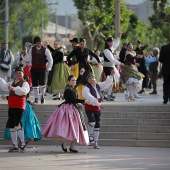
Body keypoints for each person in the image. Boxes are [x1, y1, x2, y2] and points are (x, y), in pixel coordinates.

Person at [41, 69, 90, 153]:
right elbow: (72, 99)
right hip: (67, 111)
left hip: (74, 110)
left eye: (74, 80)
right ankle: (64, 143)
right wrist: (83, 101)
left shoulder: (72, 87)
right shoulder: (68, 90)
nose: (74, 82)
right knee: (68, 128)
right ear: (68, 81)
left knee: (75, 128)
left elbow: (77, 83)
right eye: (72, 80)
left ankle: (72, 146)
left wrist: (81, 74)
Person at [82, 69, 115, 149]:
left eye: (93, 78)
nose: (92, 79)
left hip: (97, 107)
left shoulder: (98, 85)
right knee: (92, 122)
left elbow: (106, 84)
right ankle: (90, 135)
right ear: (87, 80)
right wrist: (98, 104)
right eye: (90, 78)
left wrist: (111, 76)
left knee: (97, 125)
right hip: (90, 107)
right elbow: (90, 97)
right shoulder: (86, 88)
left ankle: (96, 142)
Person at [0, 66, 30, 152]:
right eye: (17, 73)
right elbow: (4, 86)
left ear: (23, 74)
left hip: (19, 106)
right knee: (11, 125)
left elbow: (23, 91)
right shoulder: (12, 83)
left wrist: (13, 88)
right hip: (12, 106)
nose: (18, 75)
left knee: (17, 124)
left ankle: (23, 144)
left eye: (20, 73)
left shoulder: (25, 83)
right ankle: (15, 145)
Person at [28, 36, 53, 104]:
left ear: (41, 43)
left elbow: (50, 60)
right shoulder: (31, 49)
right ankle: (36, 98)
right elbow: (29, 58)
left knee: (42, 84)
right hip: (34, 69)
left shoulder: (45, 50)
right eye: (37, 43)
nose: (38, 44)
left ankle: (42, 97)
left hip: (42, 69)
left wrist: (48, 68)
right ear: (35, 43)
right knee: (35, 85)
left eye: (39, 43)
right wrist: (31, 66)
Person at [102, 34, 124, 101]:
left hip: (111, 67)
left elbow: (115, 44)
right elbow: (112, 59)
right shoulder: (106, 51)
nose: (112, 43)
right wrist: (119, 63)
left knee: (111, 82)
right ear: (107, 42)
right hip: (107, 67)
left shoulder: (110, 49)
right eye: (110, 42)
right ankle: (106, 94)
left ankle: (108, 94)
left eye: (112, 41)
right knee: (109, 81)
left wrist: (118, 37)